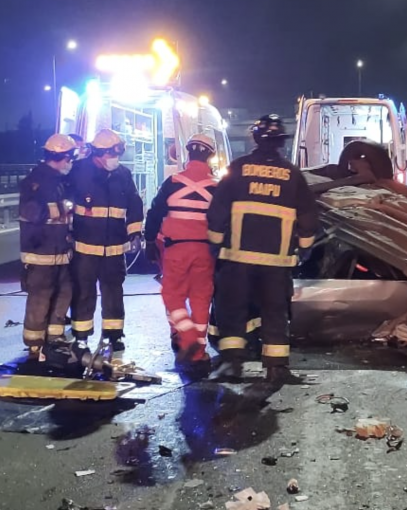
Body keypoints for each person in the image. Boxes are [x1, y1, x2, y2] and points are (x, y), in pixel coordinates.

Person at [207, 114, 319, 384]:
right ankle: (276, 367)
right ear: (282, 142)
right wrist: (304, 248)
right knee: (274, 312)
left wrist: (214, 243)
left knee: (232, 309)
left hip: (237, 258)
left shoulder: (237, 169)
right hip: (277, 261)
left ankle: (232, 364)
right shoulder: (292, 175)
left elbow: (217, 211)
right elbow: (307, 216)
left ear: (255, 138)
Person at [68, 128, 144, 364]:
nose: (115, 159)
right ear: (98, 153)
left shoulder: (123, 174)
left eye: (117, 153)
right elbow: (64, 202)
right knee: (84, 294)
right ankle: (81, 339)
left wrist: (134, 233)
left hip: (114, 249)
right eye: (111, 153)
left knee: (114, 292)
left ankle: (113, 335)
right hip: (85, 248)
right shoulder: (79, 172)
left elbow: (134, 204)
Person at [144, 134, 218, 371]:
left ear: (187, 153)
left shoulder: (173, 182)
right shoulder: (216, 187)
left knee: (172, 295)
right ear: (210, 156)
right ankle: (198, 353)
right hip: (205, 251)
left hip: (175, 249)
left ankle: (186, 337)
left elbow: (154, 213)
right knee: (201, 299)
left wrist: (148, 241)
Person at [18, 134, 76, 365]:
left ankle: (54, 340)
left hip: (60, 252)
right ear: (61, 157)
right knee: (40, 300)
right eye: (70, 157)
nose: (71, 162)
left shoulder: (59, 180)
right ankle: (34, 346)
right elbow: (33, 213)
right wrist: (65, 207)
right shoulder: (35, 182)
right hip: (40, 253)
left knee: (63, 295)